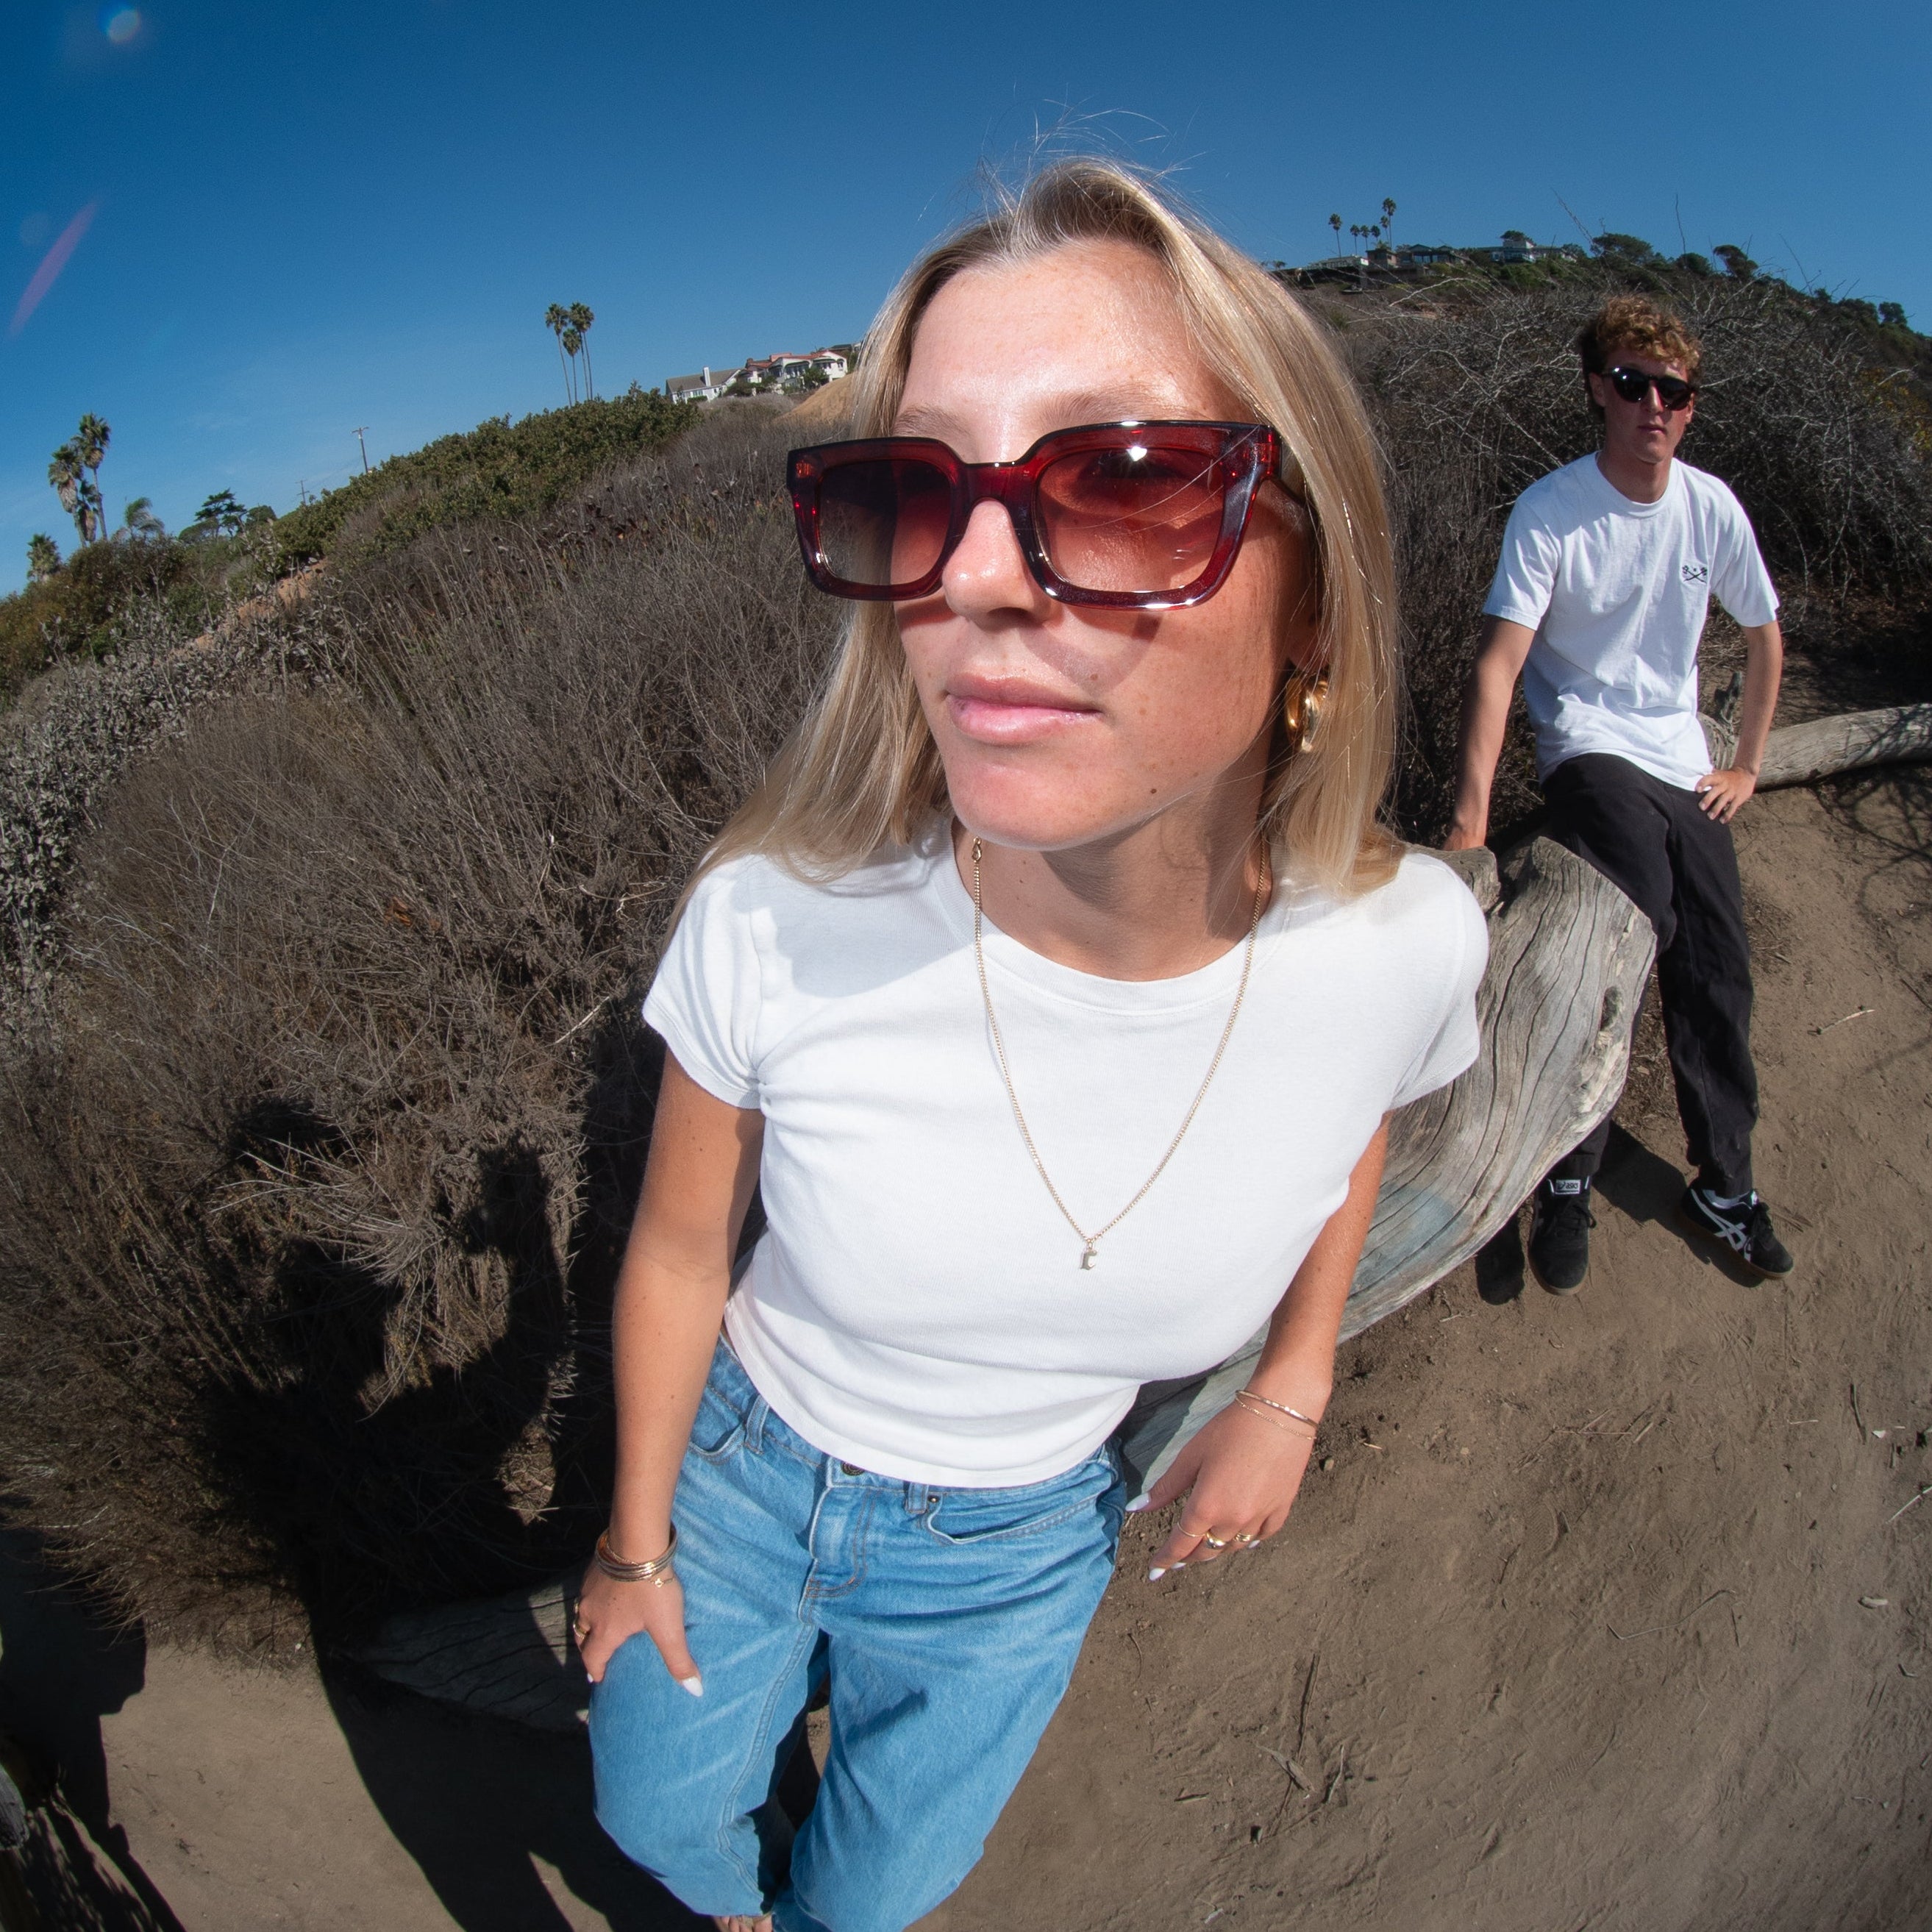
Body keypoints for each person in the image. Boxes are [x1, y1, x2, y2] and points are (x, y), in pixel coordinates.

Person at [572, 158, 1487, 1932]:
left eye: (1129, 478)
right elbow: (683, 1246)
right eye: (911, 493)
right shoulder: (777, 917)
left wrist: (1292, 1390)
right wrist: (633, 1539)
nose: (973, 580)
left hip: (1022, 1548)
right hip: (748, 1476)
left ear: (1315, 603)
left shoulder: (1406, 944)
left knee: (874, 1899)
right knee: (662, 1833)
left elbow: (1351, 1120)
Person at [1447, 294, 1794, 1294]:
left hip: (1681, 754)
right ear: (1600, 389)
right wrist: (1469, 831)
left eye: (1673, 392)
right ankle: (1571, 1170)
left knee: (1720, 959)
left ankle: (1725, 1184)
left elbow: (1765, 634)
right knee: (1633, 914)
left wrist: (1747, 767)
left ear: (1690, 408)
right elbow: (1497, 667)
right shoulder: (1554, 509)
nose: (1654, 406)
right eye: (1634, 384)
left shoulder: (1710, 506)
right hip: (1590, 747)